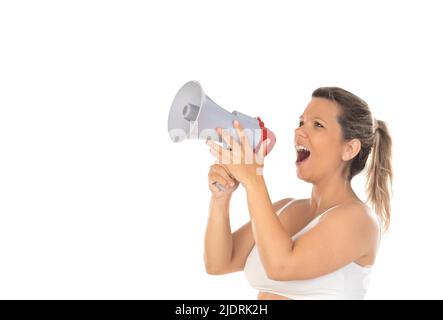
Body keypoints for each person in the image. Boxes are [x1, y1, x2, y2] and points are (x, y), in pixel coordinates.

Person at [203, 87, 393, 299]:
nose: (298, 131)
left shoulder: (360, 220)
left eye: (317, 125)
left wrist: (253, 179)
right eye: (301, 122)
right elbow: (219, 263)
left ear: (350, 149)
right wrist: (221, 198)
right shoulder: (285, 207)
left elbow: (281, 266)